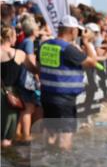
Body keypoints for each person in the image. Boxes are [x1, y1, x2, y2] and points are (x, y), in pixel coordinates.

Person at [37, 15, 98, 150]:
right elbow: (92, 62)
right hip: (64, 100)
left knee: (50, 134)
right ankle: (63, 166)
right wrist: (87, 42)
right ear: (72, 31)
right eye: (77, 31)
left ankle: (46, 164)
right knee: (65, 140)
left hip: (47, 96)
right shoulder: (68, 49)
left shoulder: (44, 45)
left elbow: (38, 66)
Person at [1, 24, 26, 147]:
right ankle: (5, 165)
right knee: (6, 136)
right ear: (10, 37)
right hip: (9, 95)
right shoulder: (19, 54)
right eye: (15, 35)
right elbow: (34, 69)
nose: (16, 38)